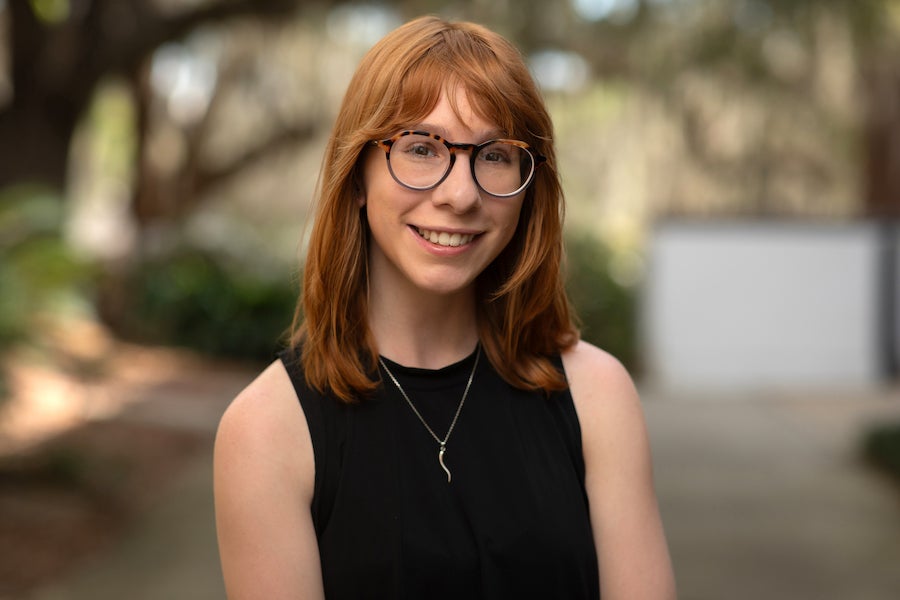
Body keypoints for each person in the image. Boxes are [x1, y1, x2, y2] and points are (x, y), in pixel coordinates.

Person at [214, 15, 676, 600]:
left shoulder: (598, 397)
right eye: (421, 148)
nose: (460, 195)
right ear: (355, 178)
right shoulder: (267, 430)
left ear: (528, 186)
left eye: (496, 155)